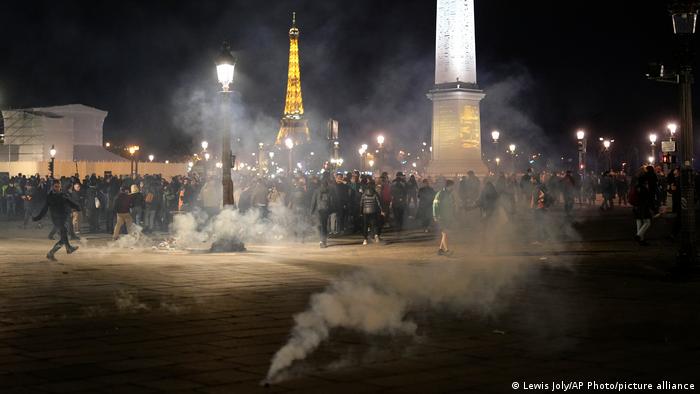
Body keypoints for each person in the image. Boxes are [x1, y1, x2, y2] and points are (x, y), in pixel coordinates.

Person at [33, 180, 80, 261]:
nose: (57, 188)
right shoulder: (50, 196)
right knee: (64, 235)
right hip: (57, 219)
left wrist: (77, 207)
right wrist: (38, 217)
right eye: (56, 186)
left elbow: (68, 202)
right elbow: (45, 209)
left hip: (63, 218)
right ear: (52, 187)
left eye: (58, 186)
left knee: (63, 239)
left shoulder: (62, 195)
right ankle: (67, 249)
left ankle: (52, 253)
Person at [433, 179, 456, 256]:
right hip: (441, 217)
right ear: (448, 186)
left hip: (447, 217)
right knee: (445, 233)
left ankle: (440, 250)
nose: (453, 188)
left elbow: (451, 205)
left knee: (444, 234)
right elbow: (435, 205)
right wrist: (436, 216)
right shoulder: (440, 194)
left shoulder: (449, 194)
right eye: (452, 186)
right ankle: (446, 250)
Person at [310, 179, 335, 248]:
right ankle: (324, 241)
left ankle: (321, 240)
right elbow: (331, 201)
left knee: (319, 225)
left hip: (318, 211)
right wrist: (331, 210)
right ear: (327, 184)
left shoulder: (316, 191)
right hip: (326, 210)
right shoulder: (329, 191)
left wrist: (311, 211)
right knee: (324, 226)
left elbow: (313, 202)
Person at [631, 176, 654, 246]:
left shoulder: (635, 187)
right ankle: (638, 236)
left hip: (636, 207)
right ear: (644, 181)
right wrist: (653, 207)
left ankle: (641, 240)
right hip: (643, 207)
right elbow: (648, 198)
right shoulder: (644, 188)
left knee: (639, 223)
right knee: (647, 222)